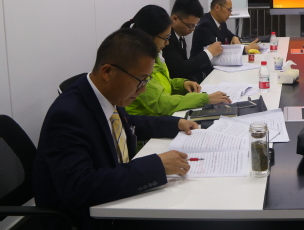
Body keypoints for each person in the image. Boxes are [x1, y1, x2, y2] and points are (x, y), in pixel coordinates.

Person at [33, 28, 200, 229]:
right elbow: (80, 188)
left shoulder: (106, 95)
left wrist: (174, 124)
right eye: (140, 80)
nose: (143, 89)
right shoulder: (68, 116)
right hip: (88, 219)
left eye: (147, 80)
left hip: (118, 201)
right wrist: (156, 165)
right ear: (107, 72)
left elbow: (129, 122)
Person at [122, 5, 230, 117]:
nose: (167, 43)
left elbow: (165, 83)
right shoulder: (137, 64)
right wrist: (204, 99)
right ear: (148, 36)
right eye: (165, 38)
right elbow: (162, 104)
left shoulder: (155, 56)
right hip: (148, 123)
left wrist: (182, 84)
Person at [162, 0, 222, 82]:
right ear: (175, 19)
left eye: (194, 25)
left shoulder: (180, 35)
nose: (193, 29)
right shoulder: (166, 39)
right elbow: (179, 69)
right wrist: (209, 52)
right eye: (190, 26)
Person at [191, 0, 258, 58]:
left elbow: (229, 35)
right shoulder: (205, 25)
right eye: (229, 10)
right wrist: (244, 49)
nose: (230, 14)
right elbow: (217, 51)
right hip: (202, 65)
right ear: (217, 7)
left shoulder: (221, 22)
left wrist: (234, 37)